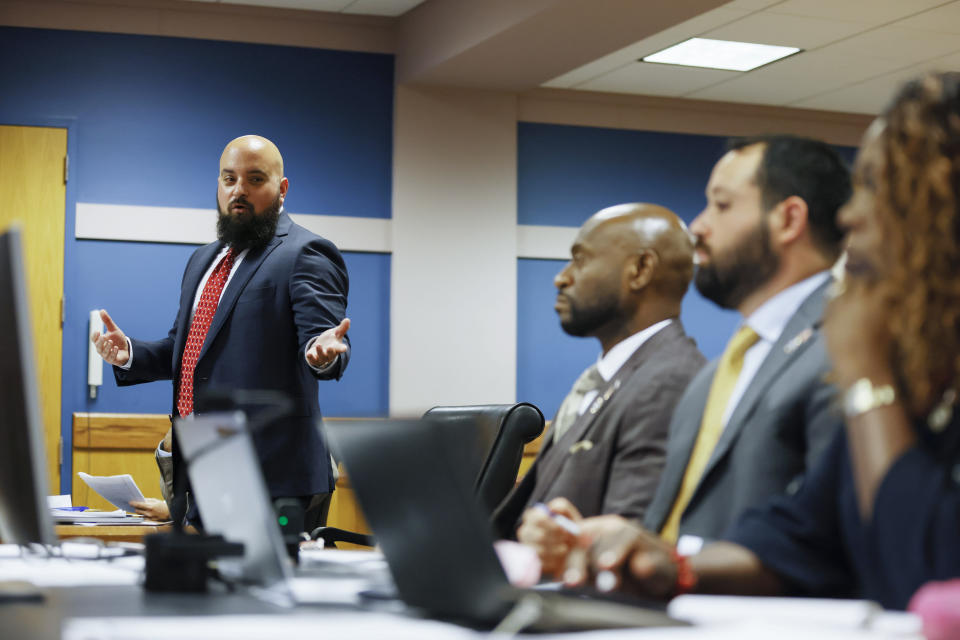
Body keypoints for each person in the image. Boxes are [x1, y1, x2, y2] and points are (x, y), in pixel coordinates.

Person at [561, 72, 960, 611]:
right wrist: (666, 563)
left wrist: (868, 379)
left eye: (879, 186)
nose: (849, 214)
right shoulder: (926, 366)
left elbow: (929, 578)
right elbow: (802, 537)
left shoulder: (872, 365)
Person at [91, 135, 350, 530]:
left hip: (274, 474)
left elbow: (322, 338)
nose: (238, 191)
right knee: (204, 588)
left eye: (254, 179)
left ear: (281, 189)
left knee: (265, 592)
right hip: (205, 467)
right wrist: (128, 353)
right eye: (229, 179)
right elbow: (189, 351)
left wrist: (322, 351)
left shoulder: (305, 253)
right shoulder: (203, 260)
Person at [637, 134, 851, 550]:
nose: (697, 226)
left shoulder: (847, 347)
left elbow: (827, 543)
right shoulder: (714, 376)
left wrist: (674, 565)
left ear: (788, 219)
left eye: (722, 204)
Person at [492, 203, 706, 574]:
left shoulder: (668, 381)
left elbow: (624, 544)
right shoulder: (612, 376)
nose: (562, 277)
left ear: (639, 270)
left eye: (580, 260)